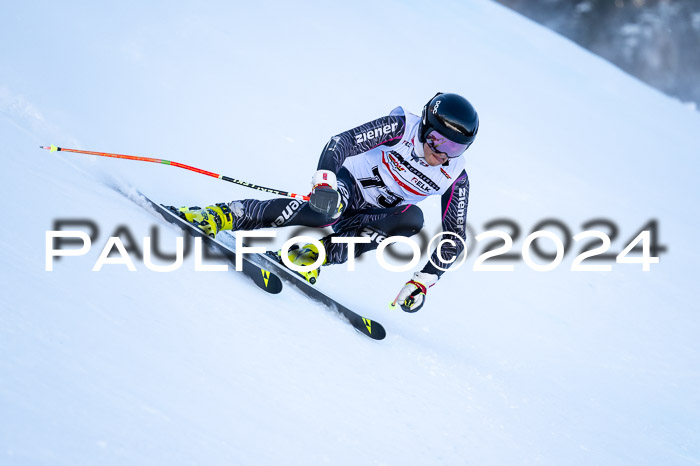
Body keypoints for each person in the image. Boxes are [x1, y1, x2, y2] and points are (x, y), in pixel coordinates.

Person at [173, 92, 477, 312]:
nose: (443, 153)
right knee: (324, 211)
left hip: (375, 215)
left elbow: (453, 238)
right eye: (439, 140)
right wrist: (326, 181)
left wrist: (425, 280)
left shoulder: (454, 175)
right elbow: (341, 142)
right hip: (349, 186)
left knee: (412, 220)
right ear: (425, 126)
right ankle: (223, 215)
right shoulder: (401, 127)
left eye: (455, 147)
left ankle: (309, 256)